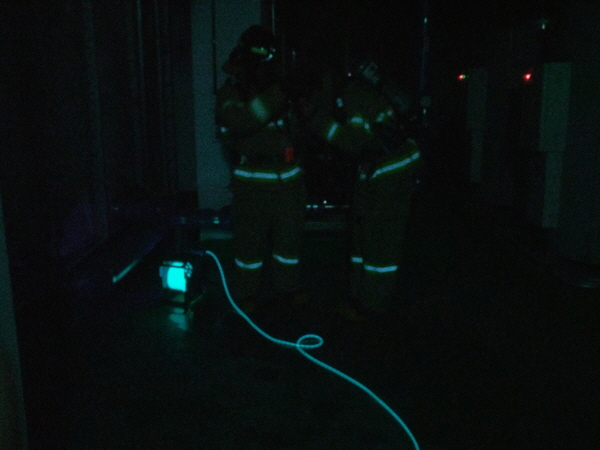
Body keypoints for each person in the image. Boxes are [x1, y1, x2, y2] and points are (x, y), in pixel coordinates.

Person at [306, 59, 422, 321]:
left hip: (391, 170)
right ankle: (359, 297)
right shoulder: (357, 92)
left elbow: (354, 142)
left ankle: (373, 307)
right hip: (379, 168)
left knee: (380, 241)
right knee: (364, 235)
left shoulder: (354, 95)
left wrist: (319, 122)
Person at [215, 25, 307, 316]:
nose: (268, 62)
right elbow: (239, 122)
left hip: (288, 179)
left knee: (288, 243)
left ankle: (288, 289)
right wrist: (278, 94)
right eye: (264, 55)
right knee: (249, 246)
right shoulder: (232, 91)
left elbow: (295, 127)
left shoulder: (275, 85)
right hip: (252, 182)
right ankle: (245, 294)